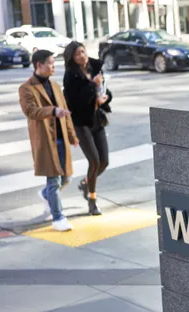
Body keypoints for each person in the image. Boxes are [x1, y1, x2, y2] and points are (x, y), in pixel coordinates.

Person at [18, 49, 79, 232]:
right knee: (53, 181)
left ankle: (46, 195)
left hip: (61, 138)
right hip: (46, 141)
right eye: (50, 63)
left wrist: (72, 135)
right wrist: (51, 111)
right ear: (39, 65)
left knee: (66, 177)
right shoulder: (26, 88)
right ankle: (58, 218)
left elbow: (65, 112)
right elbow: (30, 112)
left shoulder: (55, 86)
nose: (53, 67)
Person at [63, 41, 112, 216]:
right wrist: (92, 85)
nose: (82, 56)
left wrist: (105, 98)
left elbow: (105, 89)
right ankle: (92, 200)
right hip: (81, 122)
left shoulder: (95, 68)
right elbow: (75, 102)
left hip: (97, 120)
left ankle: (86, 182)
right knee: (94, 161)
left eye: (83, 52)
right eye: (77, 54)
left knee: (104, 161)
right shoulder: (70, 76)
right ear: (72, 58)